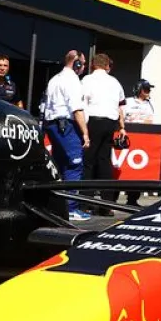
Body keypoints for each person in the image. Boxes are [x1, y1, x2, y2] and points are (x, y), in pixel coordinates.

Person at [42, 50, 91, 221]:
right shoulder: (72, 80)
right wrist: (85, 133)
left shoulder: (55, 79)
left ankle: (57, 206)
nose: (84, 67)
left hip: (53, 125)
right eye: (83, 63)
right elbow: (77, 109)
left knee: (59, 166)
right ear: (77, 63)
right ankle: (71, 208)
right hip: (66, 126)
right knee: (74, 165)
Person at [82, 54, 127, 179]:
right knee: (104, 159)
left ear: (92, 65)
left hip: (93, 121)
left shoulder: (87, 80)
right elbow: (121, 106)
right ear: (107, 66)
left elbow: (82, 104)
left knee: (88, 159)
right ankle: (107, 194)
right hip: (110, 123)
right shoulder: (115, 82)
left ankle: (87, 194)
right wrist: (122, 127)